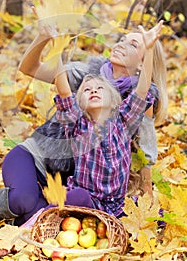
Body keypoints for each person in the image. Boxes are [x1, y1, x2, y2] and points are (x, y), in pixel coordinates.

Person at [0, 21, 167, 227]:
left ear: (142, 62)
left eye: (133, 44)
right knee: (24, 200)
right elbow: (45, 78)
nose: (121, 44)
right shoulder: (84, 82)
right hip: (36, 157)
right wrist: (49, 40)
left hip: (65, 182)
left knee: (39, 214)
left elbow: (146, 148)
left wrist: (146, 198)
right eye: (122, 39)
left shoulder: (127, 113)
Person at [51, 19, 161, 216]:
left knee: (155, 216)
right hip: (86, 200)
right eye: (87, 90)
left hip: (116, 205)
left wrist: (150, 49)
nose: (93, 91)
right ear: (80, 101)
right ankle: (31, 226)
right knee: (70, 198)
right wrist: (56, 48)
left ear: (113, 98)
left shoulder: (123, 120)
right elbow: (64, 90)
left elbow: (142, 90)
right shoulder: (76, 122)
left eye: (99, 88)